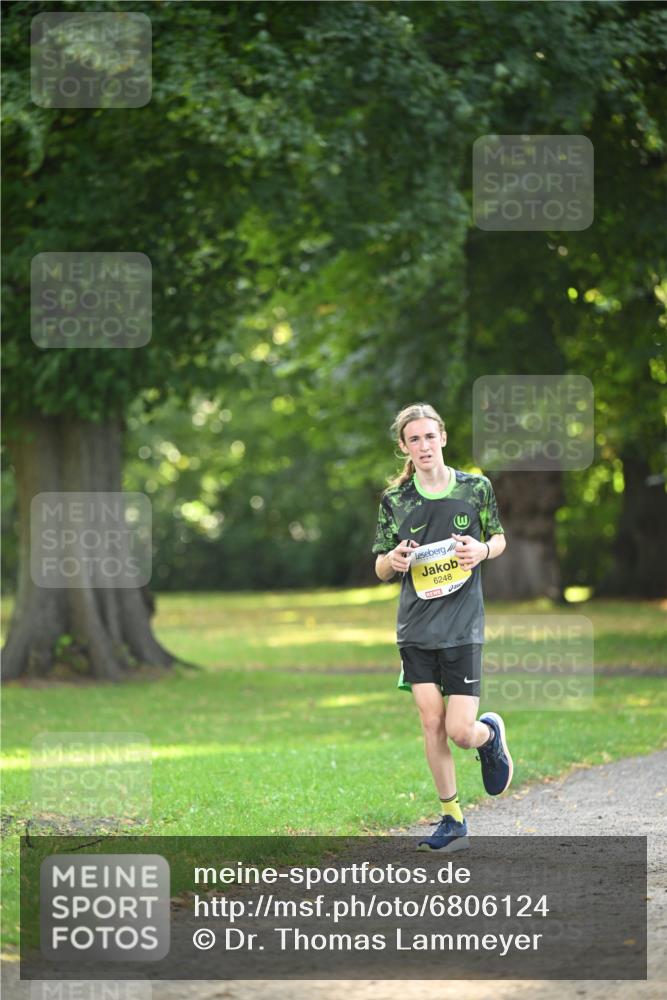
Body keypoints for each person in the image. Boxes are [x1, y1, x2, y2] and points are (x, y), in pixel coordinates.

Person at [372, 402, 512, 852]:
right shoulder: (396, 500)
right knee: (431, 722)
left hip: (463, 627)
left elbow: (499, 538)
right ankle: (452, 819)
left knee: (459, 730)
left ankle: (488, 736)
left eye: (430, 436)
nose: (424, 445)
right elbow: (380, 564)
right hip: (415, 629)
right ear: (404, 447)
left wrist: (482, 551)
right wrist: (392, 561)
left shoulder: (476, 488)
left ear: (443, 438)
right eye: (414, 439)